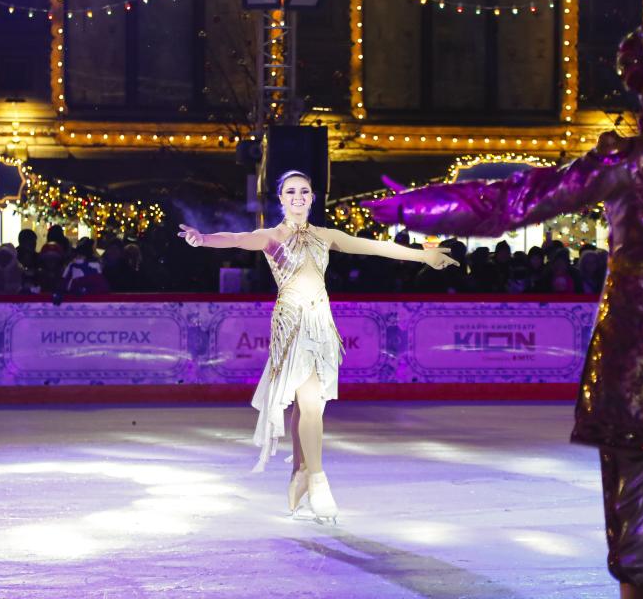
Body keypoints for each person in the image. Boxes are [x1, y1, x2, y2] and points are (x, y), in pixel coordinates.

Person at [363, 9, 643, 599]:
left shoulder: (628, 161)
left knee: (636, 476)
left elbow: (515, 203)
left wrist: (415, 207)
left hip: (638, 336)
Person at [178, 169, 456, 523]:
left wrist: (423, 256)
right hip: (292, 326)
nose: (297, 197)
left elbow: (377, 247)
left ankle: (299, 472)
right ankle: (319, 481)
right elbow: (235, 238)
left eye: (304, 191)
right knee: (307, 401)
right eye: (290, 191)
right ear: (280, 198)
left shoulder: (326, 236)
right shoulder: (270, 236)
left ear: (312, 198)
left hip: (322, 326)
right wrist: (203, 239)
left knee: (311, 406)